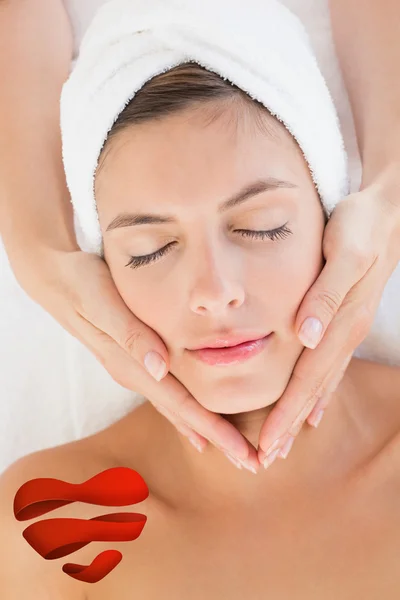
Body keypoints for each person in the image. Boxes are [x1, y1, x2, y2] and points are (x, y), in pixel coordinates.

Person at [1, 2, 400, 595]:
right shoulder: (58, 527)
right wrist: (32, 247)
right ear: (101, 273)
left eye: (261, 226)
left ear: (333, 217)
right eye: (150, 250)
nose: (215, 293)